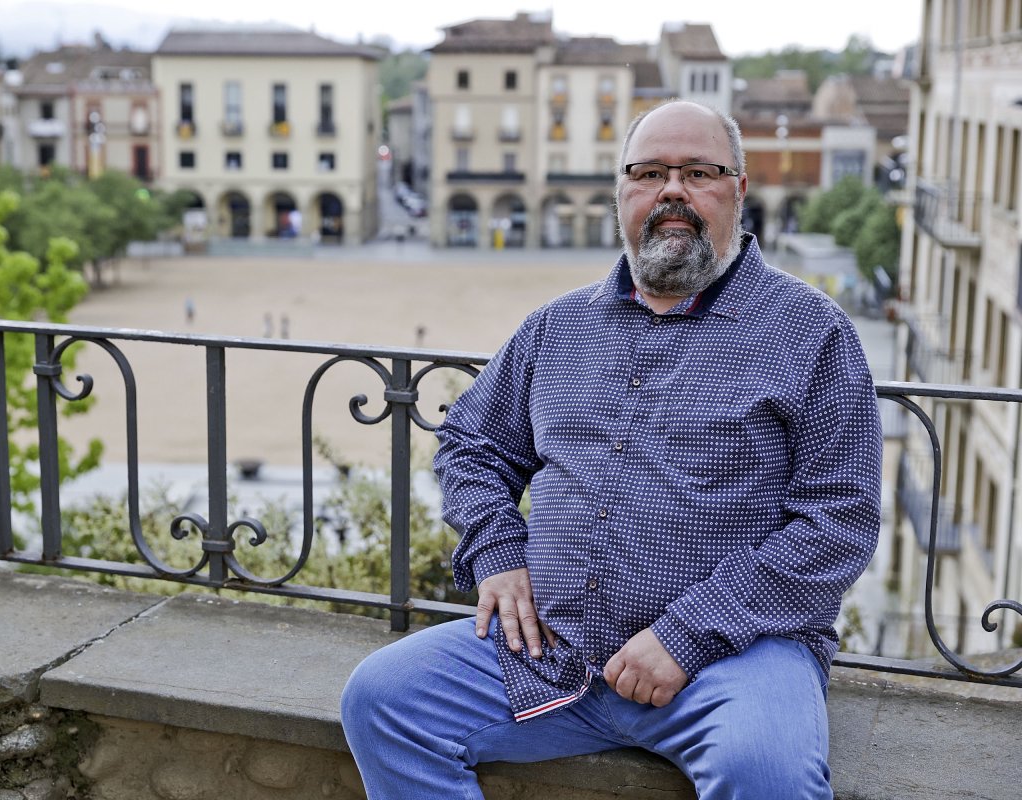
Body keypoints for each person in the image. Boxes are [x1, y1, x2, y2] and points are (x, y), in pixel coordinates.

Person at [340, 100, 882, 799]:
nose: (673, 190)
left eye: (700, 172)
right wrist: (498, 554)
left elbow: (840, 521)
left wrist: (687, 635)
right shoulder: (558, 328)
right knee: (381, 700)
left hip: (736, 659)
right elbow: (472, 443)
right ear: (622, 193)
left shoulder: (812, 333)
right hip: (550, 647)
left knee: (767, 774)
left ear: (739, 190)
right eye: (650, 172)